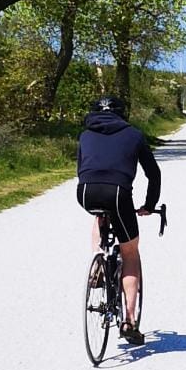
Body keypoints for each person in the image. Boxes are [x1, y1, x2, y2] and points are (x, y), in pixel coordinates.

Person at [77, 94, 161, 347]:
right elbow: (153, 174)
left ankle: (98, 260)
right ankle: (129, 321)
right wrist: (149, 205)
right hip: (117, 193)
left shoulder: (84, 135)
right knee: (130, 252)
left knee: (99, 214)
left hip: (85, 192)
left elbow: (82, 167)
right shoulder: (134, 135)